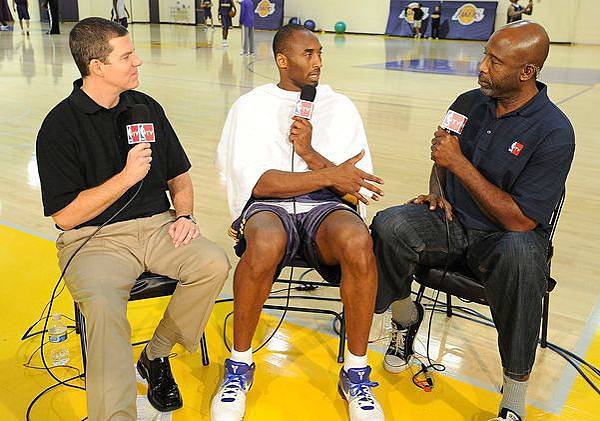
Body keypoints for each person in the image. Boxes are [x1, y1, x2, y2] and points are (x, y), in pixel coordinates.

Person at [370, 21, 574, 421]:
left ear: (526, 72)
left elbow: (520, 221)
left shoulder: (554, 132)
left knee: (521, 256)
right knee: (389, 224)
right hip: (452, 223)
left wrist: (458, 165)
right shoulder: (466, 102)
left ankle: (514, 394)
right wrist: (438, 191)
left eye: (494, 62)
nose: (481, 67)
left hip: (506, 238)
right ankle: (406, 320)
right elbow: (440, 155)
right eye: (485, 55)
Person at [36, 17, 230, 420]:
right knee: (105, 307)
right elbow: (66, 216)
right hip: (93, 241)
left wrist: (186, 214)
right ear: (97, 66)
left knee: (212, 263)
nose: (138, 61)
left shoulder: (146, 107)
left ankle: (156, 355)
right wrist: (125, 179)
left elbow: (179, 174)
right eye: (127, 56)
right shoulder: (59, 127)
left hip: (159, 226)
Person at [213, 23, 385, 421]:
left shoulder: (339, 106)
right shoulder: (250, 106)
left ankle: (356, 373)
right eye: (309, 54)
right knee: (266, 241)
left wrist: (309, 153)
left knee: (359, 240)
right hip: (269, 207)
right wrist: (327, 172)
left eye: (321, 53)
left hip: (324, 209)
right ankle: (239, 365)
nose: (318, 63)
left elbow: (354, 186)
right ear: (282, 60)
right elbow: (261, 182)